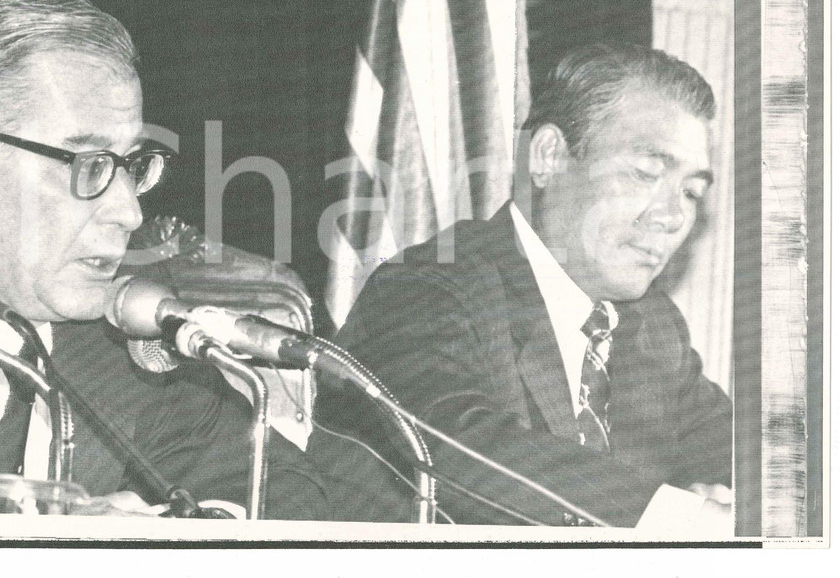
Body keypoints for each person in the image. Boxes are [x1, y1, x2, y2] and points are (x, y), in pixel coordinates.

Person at [0, 0, 326, 518]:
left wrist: (178, 531)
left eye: (132, 165)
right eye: (88, 165)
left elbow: (284, 485)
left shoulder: (111, 325)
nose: (130, 212)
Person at [308, 43, 733, 531]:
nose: (673, 216)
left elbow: (739, 451)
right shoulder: (424, 289)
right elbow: (450, 444)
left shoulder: (653, 326)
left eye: (691, 192)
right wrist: (681, 516)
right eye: (646, 174)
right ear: (549, 157)